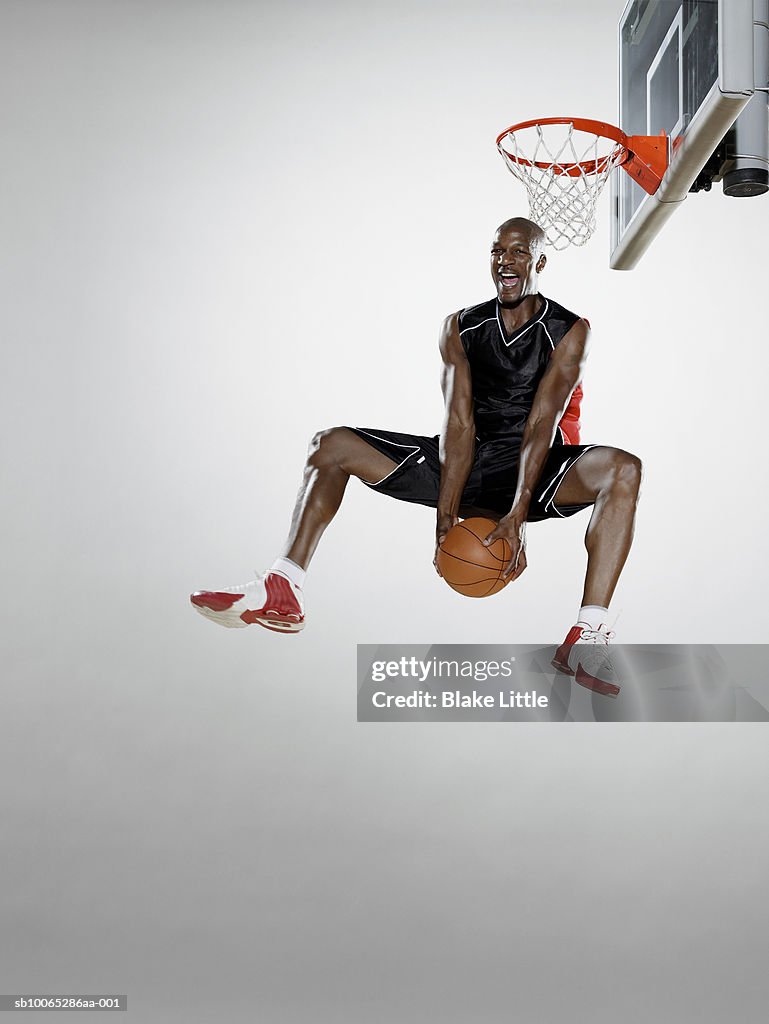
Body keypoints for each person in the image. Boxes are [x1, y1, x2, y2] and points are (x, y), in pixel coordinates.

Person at [191, 218, 642, 697]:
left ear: (540, 262)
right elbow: (459, 423)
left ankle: (587, 634)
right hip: (466, 461)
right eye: (497, 251)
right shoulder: (461, 326)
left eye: (518, 252)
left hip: (536, 467)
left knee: (623, 470)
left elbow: (540, 423)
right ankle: (284, 584)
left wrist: (517, 515)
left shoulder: (569, 330)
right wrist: (445, 513)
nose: (505, 260)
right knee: (331, 445)